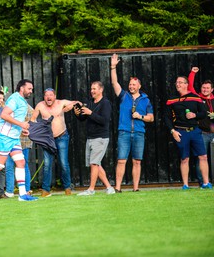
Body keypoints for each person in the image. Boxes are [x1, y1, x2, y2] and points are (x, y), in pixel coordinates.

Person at [110, 54, 154, 192]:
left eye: (134, 84)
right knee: (121, 160)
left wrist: (140, 116)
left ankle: (135, 189)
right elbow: (114, 83)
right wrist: (113, 67)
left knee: (137, 161)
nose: (131, 86)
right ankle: (117, 188)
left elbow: (151, 118)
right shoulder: (124, 95)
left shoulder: (146, 100)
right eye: (130, 84)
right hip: (124, 132)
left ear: (139, 86)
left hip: (139, 133)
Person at [164, 76, 212, 189]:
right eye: (177, 83)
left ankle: (206, 183)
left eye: (180, 82)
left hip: (195, 131)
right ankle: (185, 185)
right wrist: (173, 131)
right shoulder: (171, 99)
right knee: (184, 159)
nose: (178, 84)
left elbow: (204, 113)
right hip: (181, 132)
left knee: (203, 157)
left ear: (186, 84)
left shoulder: (196, 98)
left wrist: (195, 115)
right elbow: (167, 118)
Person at [31, 88, 78, 197]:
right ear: (44, 97)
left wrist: (72, 106)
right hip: (47, 139)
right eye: (46, 95)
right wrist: (32, 131)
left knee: (63, 163)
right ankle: (46, 190)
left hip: (62, 136)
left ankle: (67, 188)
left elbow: (77, 102)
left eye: (51, 95)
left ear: (54, 96)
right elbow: (33, 120)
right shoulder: (40, 105)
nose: (49, 97)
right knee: (47, 164)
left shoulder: (61, 103)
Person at [74, 81, 116, 195]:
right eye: (91, 89)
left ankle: (91, 190)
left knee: (94, 164)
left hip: (100, 137)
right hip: (90, 137)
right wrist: (78, 114)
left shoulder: (106, 103)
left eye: (94, 89)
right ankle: (109, 188)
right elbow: (83, 118)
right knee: (96, 164)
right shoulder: (90, 102)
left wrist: (90, 113)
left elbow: (104, 120)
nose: (92, 91)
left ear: (101, 90)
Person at [188, 67, 214, 185]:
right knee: (201, 159)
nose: (205, 90)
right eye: (203, 87)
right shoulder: (197, 98)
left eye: (207, 88)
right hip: (202, 134)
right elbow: (190, 87)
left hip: (213, 134)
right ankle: (203, 182)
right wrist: (193, 73)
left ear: (212, 89)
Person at [5, 105, 33, 197]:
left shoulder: (29, 110)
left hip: (23, 142)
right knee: (10, 166)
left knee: (22, 166)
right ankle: (10, 191)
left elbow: (33, 125)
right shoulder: (11, 109)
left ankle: (26, 190)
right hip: (12, 142)